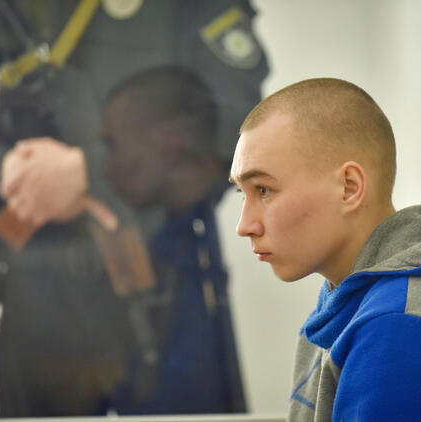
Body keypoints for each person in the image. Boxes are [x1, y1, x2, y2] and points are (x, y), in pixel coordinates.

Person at [0, 0, 268, 417]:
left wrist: (90, 168)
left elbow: (236, 117)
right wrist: (4, 169)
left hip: (163, 282)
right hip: (39, 295)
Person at [229, 78, 421, 421]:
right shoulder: (351, 306)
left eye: (263, 190)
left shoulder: (402, 327)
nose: (244, 225)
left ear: (349, 188)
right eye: (242, 193)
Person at [101, 66, 245, 414]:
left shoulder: (243, 238)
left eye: (113, 145)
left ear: (170, 143)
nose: (104, 168)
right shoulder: (172, 240)